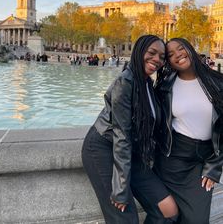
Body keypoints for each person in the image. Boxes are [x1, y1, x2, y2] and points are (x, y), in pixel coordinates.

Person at [82, 35, 178, 224]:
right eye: (152, 53)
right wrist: (121, 188)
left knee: (169, 211)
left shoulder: (148, 83)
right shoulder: (125, 82)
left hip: (130, 153)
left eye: (162, 56)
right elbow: (121, 136)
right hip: (103, 149)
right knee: (125, 218)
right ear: (139, 52)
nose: (157, 60)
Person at [153, 37, 223, 224]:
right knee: (165, 218)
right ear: (168, 61)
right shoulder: (165, 86)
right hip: (172, 160)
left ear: (190, 48)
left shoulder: (218, 82)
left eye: (181, 48)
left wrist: (215, 166)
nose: (178, 55)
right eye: (170, 54)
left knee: (197, 220)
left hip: (203, 162)